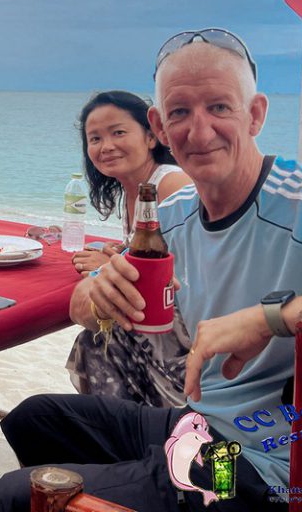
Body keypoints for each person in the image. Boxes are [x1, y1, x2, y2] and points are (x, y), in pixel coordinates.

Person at [0, 28, 302, 511]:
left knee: (12, 498)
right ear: (159, 125)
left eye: (219, 107)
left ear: (255, 115)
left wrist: (271, 319)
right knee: (33, 419)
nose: (198, 131)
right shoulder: (174, 214)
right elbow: (81, 306)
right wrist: (101, 292)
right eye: (179, 112)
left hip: (268, 470)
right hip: (200, 425)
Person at [65, 90, 192, 407]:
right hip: (159, 327)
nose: (106, 146)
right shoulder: (135, 191)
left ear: (151, 136)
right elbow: (155, 250)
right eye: (95, 138)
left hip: (189, 344)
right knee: (96, 337)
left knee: (97, 338)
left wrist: (107, 267)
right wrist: (121, 253)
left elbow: (184, 270)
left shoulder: (171, 185)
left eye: (118, 132)